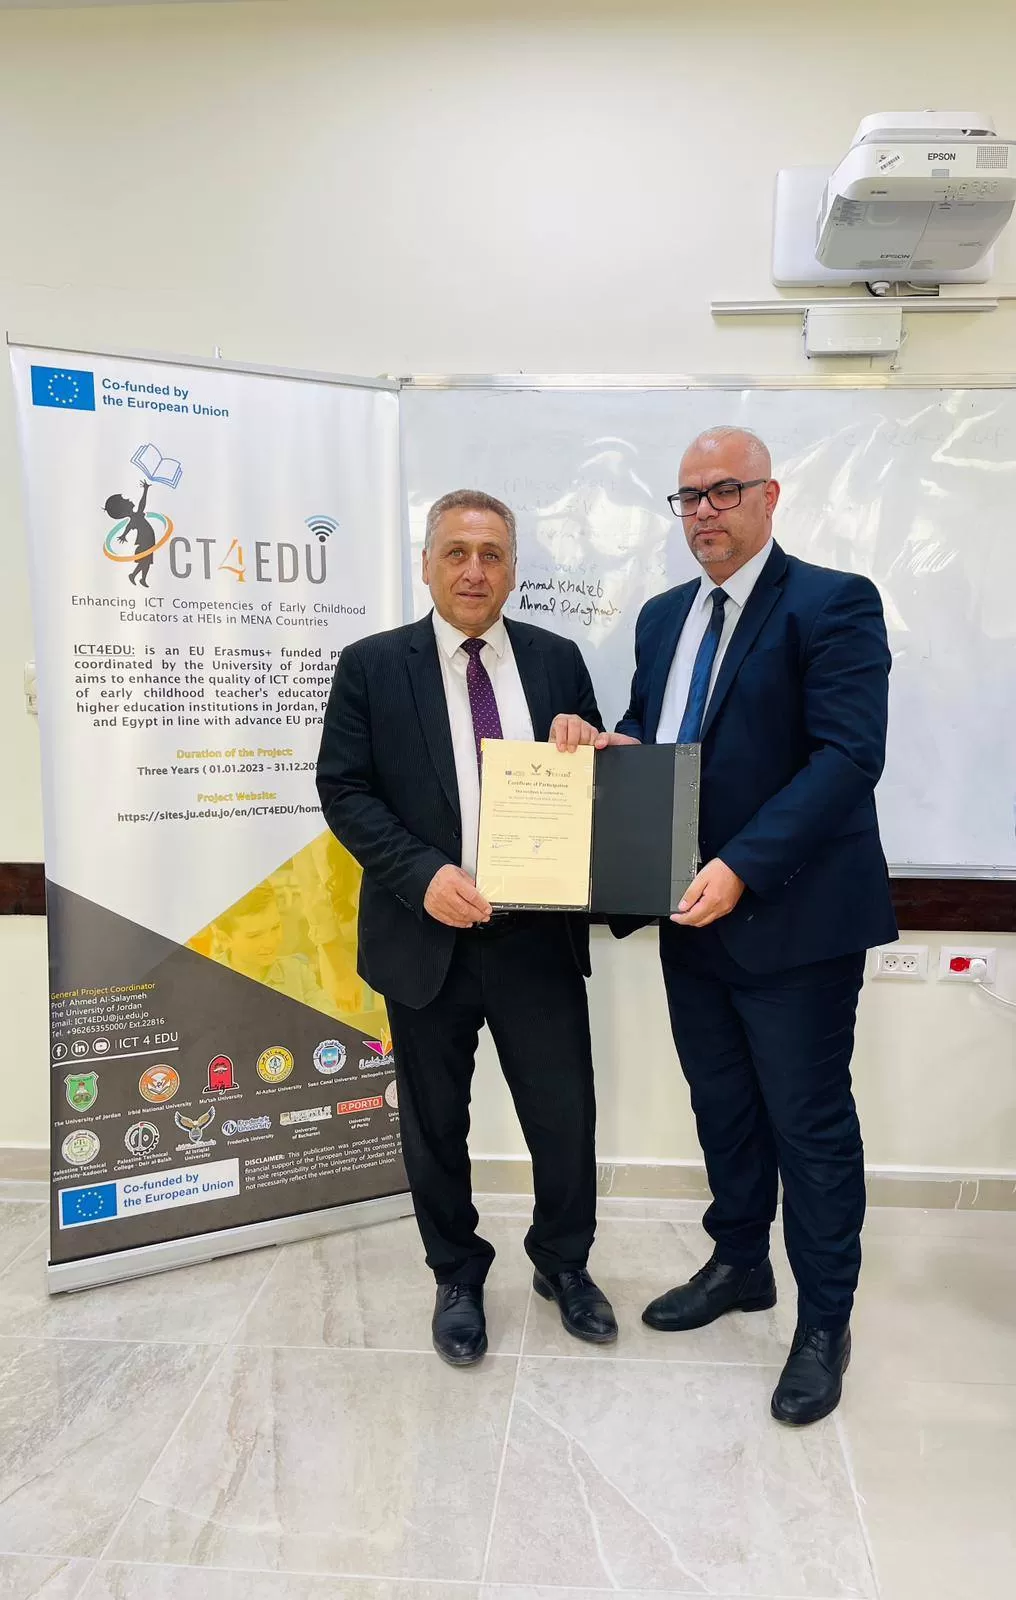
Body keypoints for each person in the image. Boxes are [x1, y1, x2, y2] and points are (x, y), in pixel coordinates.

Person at [551, 427, 896, 1425]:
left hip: (795, 924)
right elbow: (657, 738)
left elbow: (846, 757)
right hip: (688, 917)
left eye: (723, 490)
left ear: (768, 496)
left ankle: (824, 1323)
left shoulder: (832, 603)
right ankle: (741, 1263)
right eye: (688, 496)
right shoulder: (664, 617)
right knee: (724, 1109)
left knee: (808, 1126)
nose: (702, 510)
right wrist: (601, 745)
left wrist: (741, 866)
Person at [317, 488, 617, 1366]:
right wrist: (422, 877)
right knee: (435, 1126)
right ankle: (456, 1273)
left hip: (536, 939)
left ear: (513, 569)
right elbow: (344, 790)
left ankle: (563, 1263)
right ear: (427, 565)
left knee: (564, 1118)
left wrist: (591, 746)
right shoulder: (372, 665)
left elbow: (597, 792)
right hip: (426, 941)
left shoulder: (558, 660)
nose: (474, 570)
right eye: (456, 552)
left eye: (491, 554)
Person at [212, 884, 331, 1011]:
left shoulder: (297, 972)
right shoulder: (207, 984)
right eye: (255, 935)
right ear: (223, 938)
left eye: (275, 927)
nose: (270, 942)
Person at [105, 479, 156, 587]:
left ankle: (142, 579)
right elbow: (142, 504)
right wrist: (145, 490)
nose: (128, 499)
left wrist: (124, 535)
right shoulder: (135, 517)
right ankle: (133, 575)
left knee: (147, 561)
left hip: (149, 541)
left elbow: (128, 527)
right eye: (125, 500)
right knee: (145, 561)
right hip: (145, 542)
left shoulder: (135, 517)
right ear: (123, 509)